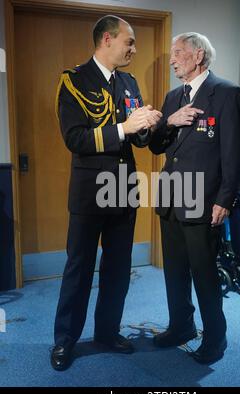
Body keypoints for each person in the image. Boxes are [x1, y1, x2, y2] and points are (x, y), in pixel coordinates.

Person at [51, 15, 161, 371]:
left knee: (118, 267)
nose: (133, 49)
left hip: (123, 190)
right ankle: (65, 340)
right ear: (107, 40)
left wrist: (145, 125)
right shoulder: (73, 80)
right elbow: (75, 139)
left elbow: (138, 139)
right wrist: (124, 128)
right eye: (129, 42)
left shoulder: (128, 82)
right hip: (89, 191)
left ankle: (107, 333)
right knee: (79, 268)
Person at [149, 32, 240, 364]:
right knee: (174, 271)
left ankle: (216, 339)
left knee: (204, 274)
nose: (172, 59)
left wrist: (225, 200)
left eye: (178, 53)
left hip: (205, 201)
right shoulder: (173, 96)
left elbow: (232, 153)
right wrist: (169, 122)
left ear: (198, 54)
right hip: (171, 199)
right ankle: (181, 327)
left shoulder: (226, 93)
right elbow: (157, 146)